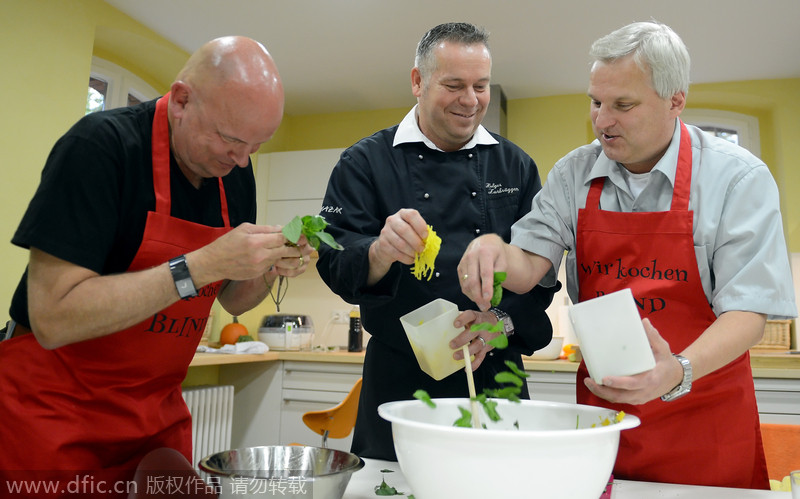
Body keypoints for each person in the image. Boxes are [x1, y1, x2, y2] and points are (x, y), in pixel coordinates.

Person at [458, 21, 797, 489]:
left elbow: (749, 312)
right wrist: (494, 250)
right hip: (604, 418)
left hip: (703, 416)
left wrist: (676, 370)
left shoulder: (737, 178)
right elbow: (529, 266)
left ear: (675, 99)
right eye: (596, 102)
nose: (602, 120)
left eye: (623, 105)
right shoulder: (573, 174)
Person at [0, 36, 313, 495]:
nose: (241, 160)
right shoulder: (100, 148)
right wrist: (199, 265)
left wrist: (269, 265)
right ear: (182, 99)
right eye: (230, 139)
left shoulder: (234, 174)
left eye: (256, 146)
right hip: (54, 413)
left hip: (153, 419)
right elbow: (51, 317)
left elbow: (232, 299)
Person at [316, 22, 556, 461]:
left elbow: (539, 274)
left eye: (480, 86)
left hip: (493, 375)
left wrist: (499, 322)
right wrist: (380, 252)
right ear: (417, 82)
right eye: (454, 85)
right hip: (399, 381)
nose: (471, 100)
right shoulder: (365, 162)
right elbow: (334, 262)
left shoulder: (515, 165)